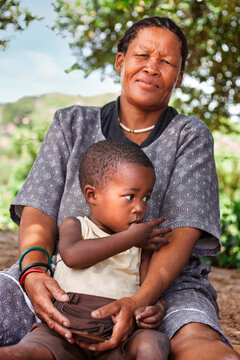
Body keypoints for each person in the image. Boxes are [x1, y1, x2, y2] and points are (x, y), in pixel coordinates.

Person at [0, 15, 239, 359]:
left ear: (179, 77)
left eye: (167, 61)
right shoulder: (71, 124)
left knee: (198, 345)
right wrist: (34, 272)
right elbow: (38, 210)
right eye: (142, 55)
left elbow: (184, 232)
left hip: (161, 286)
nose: (152, 68)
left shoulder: (189, 135)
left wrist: (141, 302)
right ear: (120, 61)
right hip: (62, 276)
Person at [0, 140, 171, 359]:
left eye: (146, 198)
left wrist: (156, 309)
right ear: (92, 195)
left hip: (120, 334)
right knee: (30, 351)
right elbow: (73, 256)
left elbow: (152, 290)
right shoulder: (77, 226)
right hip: (64, 327)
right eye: (130, 196)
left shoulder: (142, 247)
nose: (140, 207)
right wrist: (129, 239)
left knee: (154, 342)